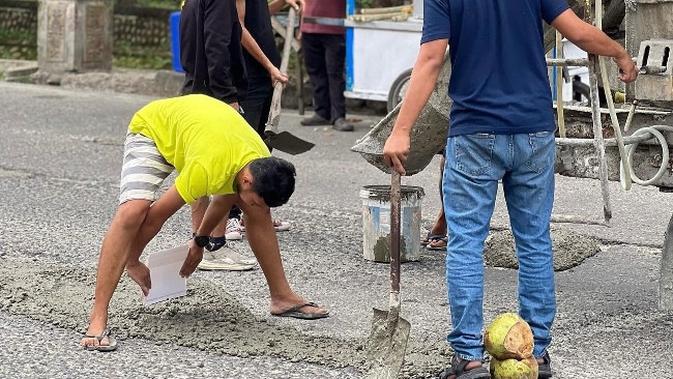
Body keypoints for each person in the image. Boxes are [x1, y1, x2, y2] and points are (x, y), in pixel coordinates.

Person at [383, 0, 637, 377]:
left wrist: (401, 129)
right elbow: (578, 31)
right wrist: (620, 53)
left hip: (475, 132)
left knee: (466, 242)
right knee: (534, 241)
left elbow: (432, 59)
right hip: (533, 130)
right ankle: (535, 352)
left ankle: (468, 357)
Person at [80, 95, 329, 352]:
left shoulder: (259, 158)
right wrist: (133, 260)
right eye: (255, 200)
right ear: (246, 180)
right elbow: (156, 218)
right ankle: (98, 317)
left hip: (199, 134)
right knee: (133, 211)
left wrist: (200, 242)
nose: (254, 207)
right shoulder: (206, 167)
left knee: (259, 215)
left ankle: (281, 296)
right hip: (153, 130)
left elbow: (224, 197)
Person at [219, 0, 304, 244]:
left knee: (261, 145)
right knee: (241, 148)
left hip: (264, 76)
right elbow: (238, 25)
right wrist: (268, 65)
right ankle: (230, 215)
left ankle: (252, 208)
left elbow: (259, 15)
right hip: (249, 74)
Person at [179, 0, 247, 263]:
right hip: (214, 93)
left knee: (199, 170)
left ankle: (201, 239)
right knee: (223, 170)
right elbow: (216, 47)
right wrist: (228, 96)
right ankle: (214, 244)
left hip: (193, 86)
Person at [300, 0, 354, 132]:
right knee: (315, 73)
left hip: (334, 29)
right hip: (308, 26)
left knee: (335, 73)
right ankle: (321, 112)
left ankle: (338, 116)